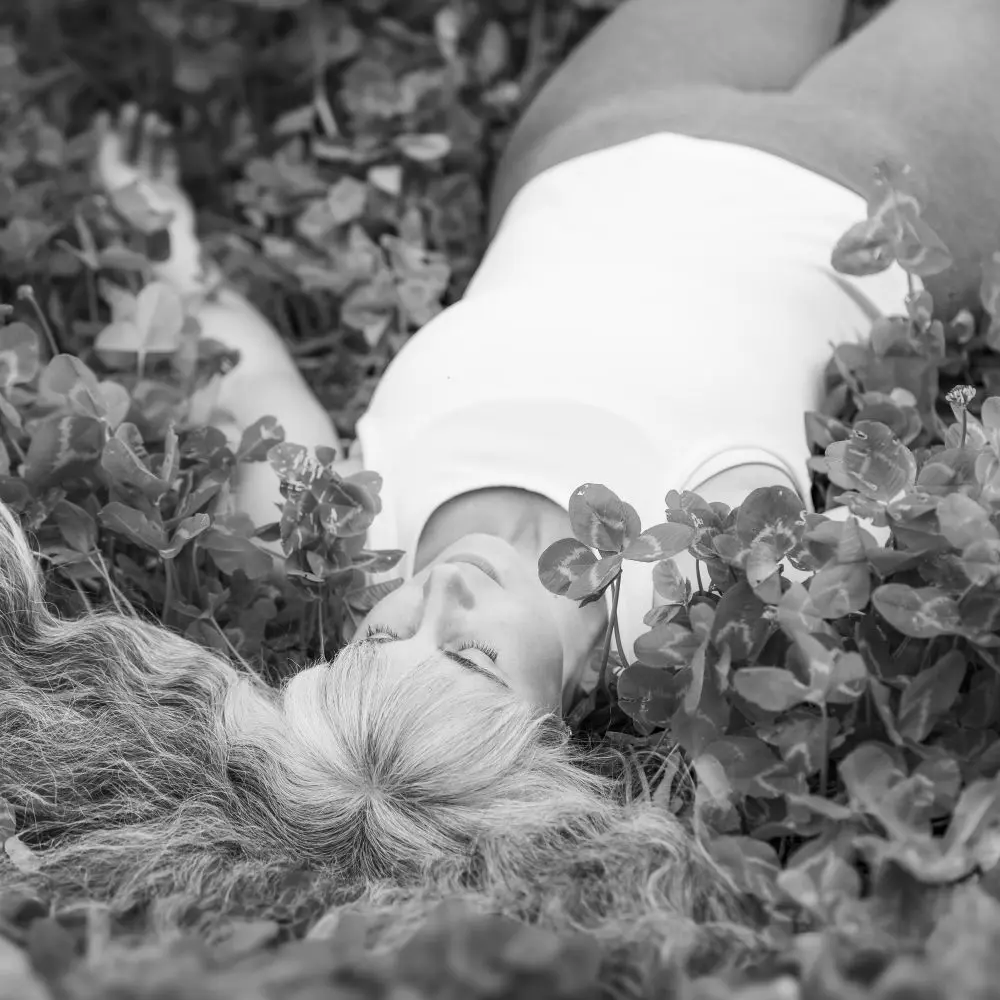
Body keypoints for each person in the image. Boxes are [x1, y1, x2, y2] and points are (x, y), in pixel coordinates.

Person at [3, 0, 998, 949]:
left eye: (383, 634)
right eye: (470, 658)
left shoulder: (338, 533)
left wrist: (165, 243)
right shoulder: (687, 620)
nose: (439, 595)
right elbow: (919, 530)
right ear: (549, 736)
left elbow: (245, 376)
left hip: (591, 141)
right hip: (865, 185)